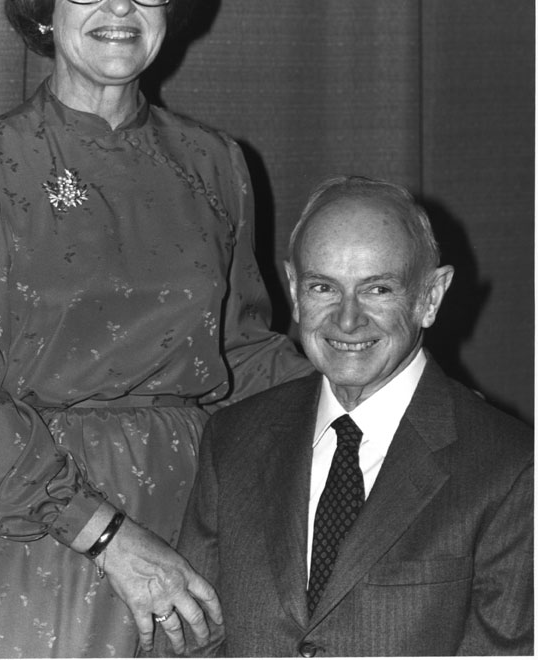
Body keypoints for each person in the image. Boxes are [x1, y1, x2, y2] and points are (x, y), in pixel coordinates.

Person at [0, 0, 311, 659]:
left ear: (168, 6)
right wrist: (108, 538)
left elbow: (240, 352)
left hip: (200, 512)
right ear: (45, 4)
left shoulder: (216, 165)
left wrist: (389, 396)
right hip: (46, 528)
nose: (120, 4)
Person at [171, 175, 533, 657]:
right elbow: (192, 642)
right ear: (296, 292)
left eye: (378, 289)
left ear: (430, 297)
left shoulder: (510, 469)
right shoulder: (232, 440)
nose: (347, 320)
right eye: (324, 287)